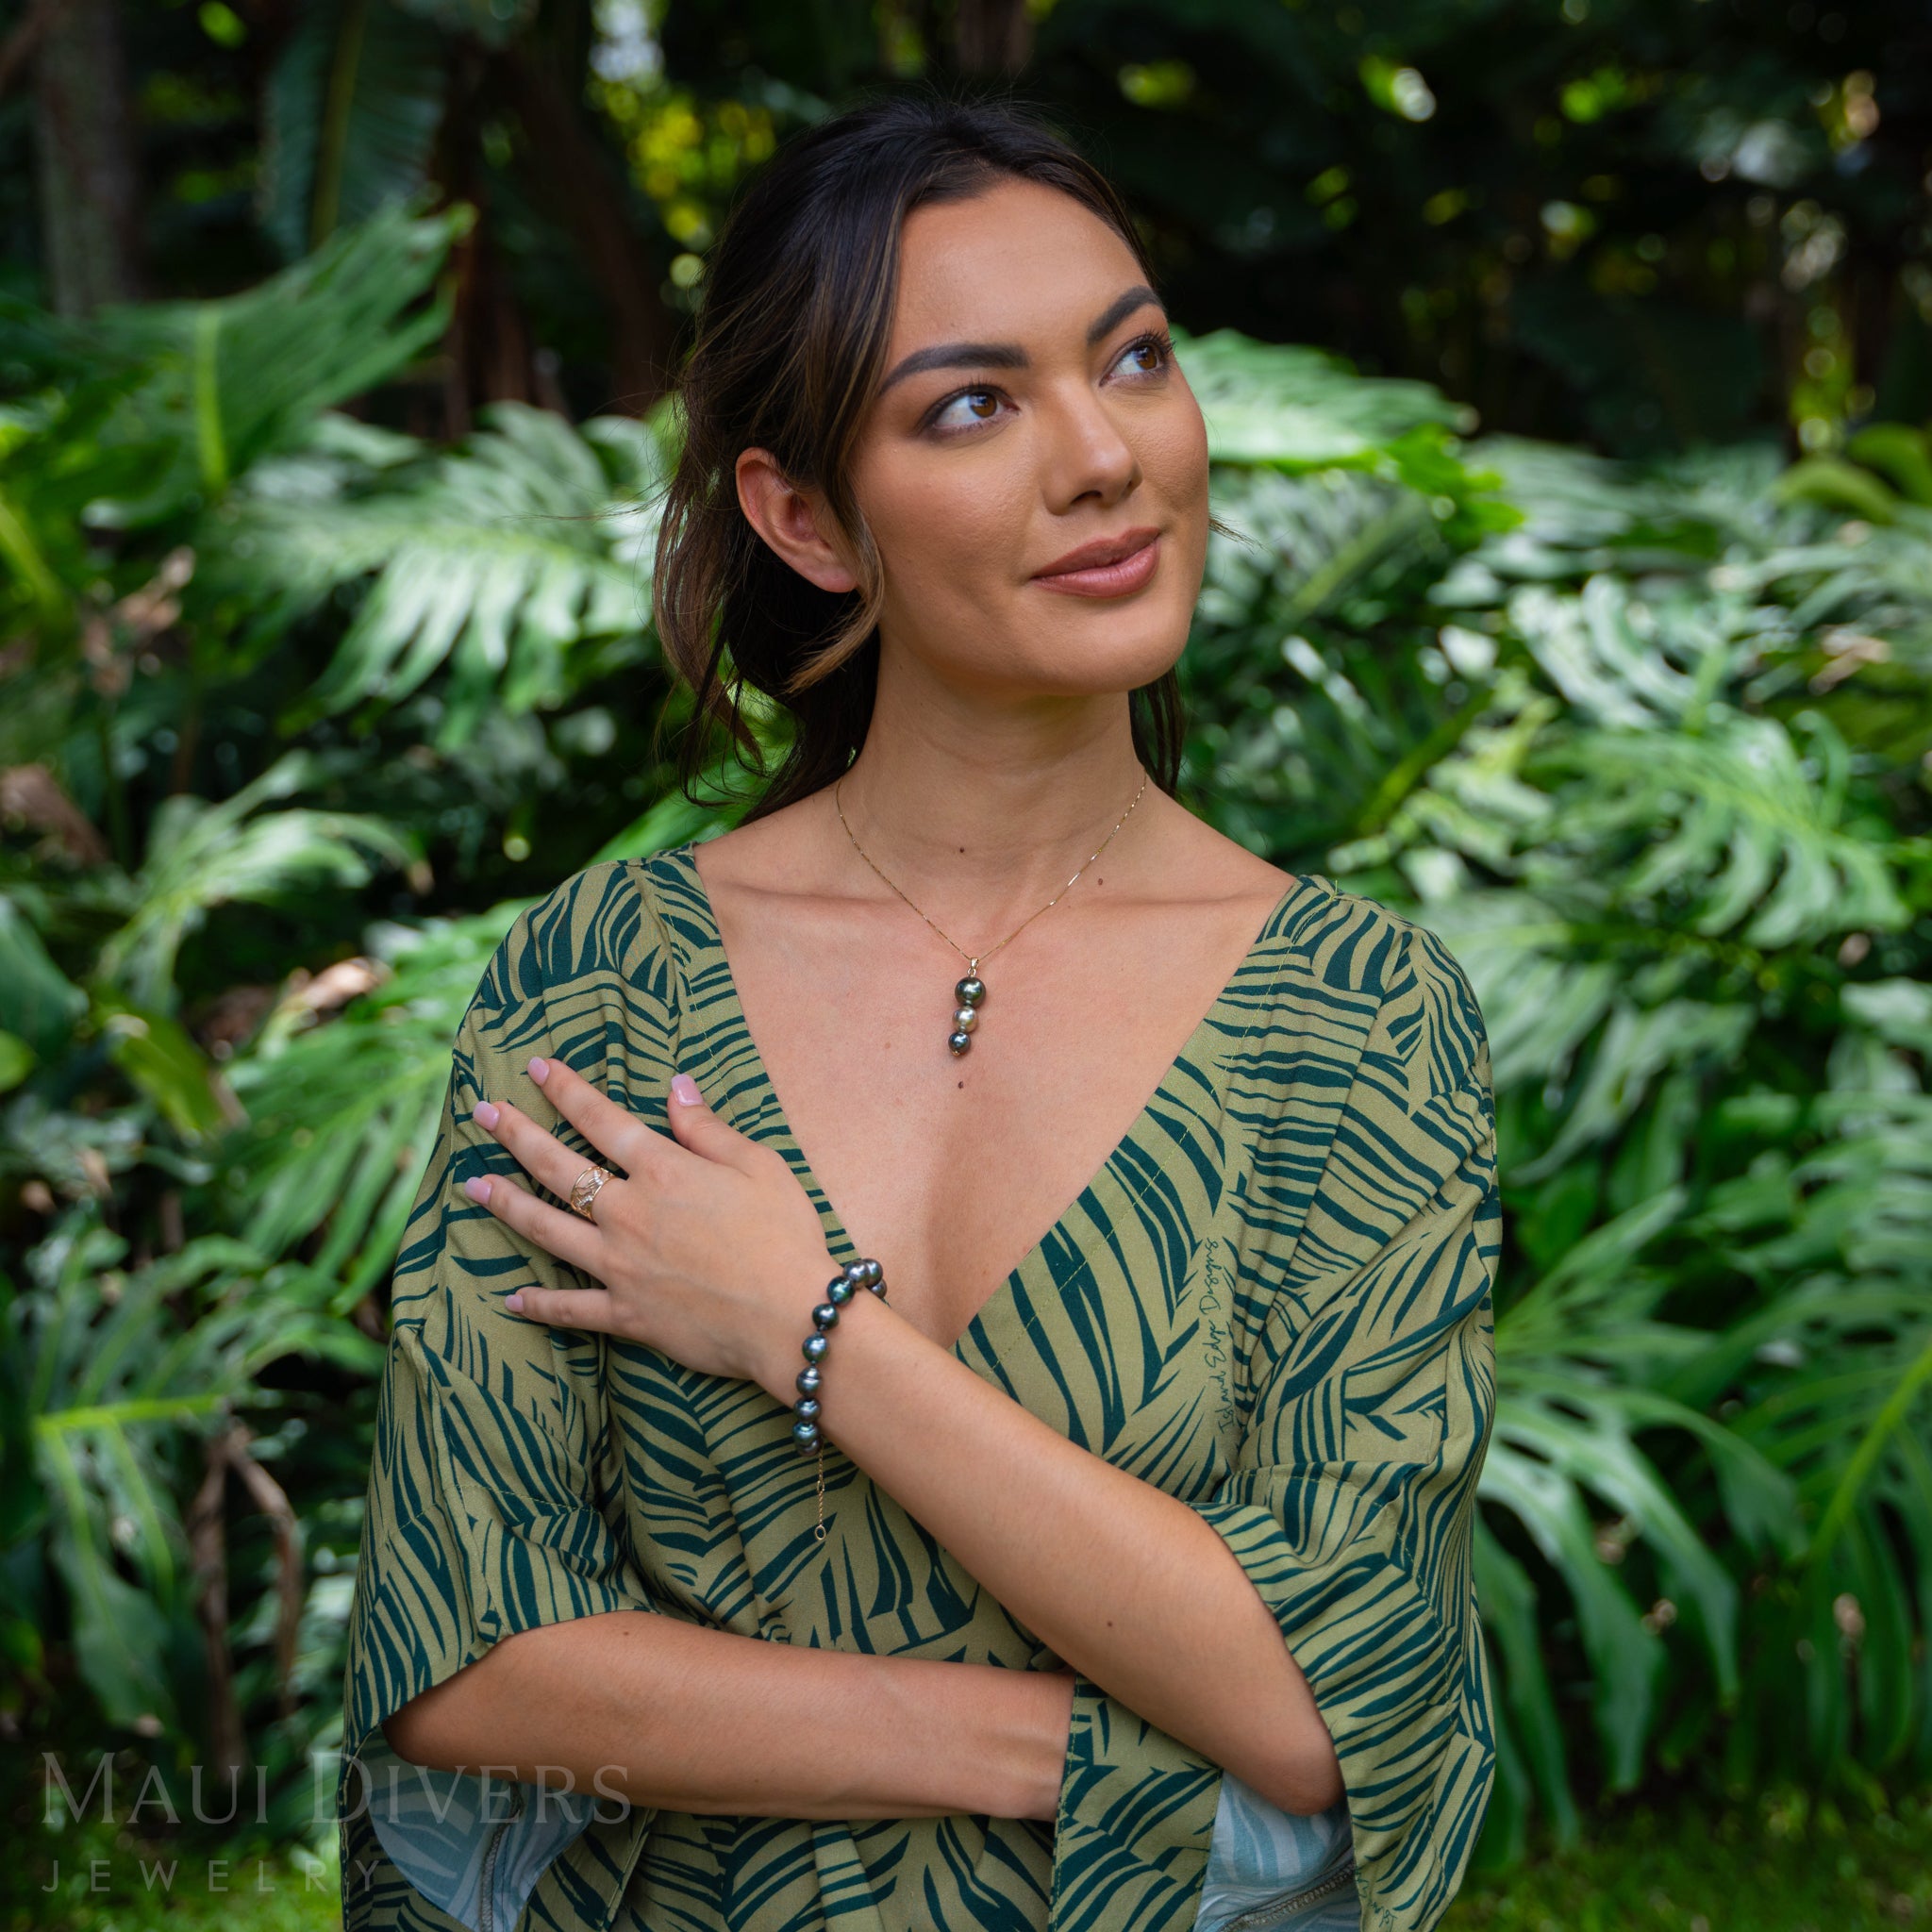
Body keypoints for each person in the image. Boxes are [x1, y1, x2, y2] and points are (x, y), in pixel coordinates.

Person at [336, 91, 1499, 1932]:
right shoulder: (607, 982)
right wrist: (1066, 1749)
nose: (1103, 457)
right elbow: (465, 1656)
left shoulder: (1360, 1018)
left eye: (1133, 359)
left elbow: (1315, 1695)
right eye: (972, 405)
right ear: (803, 516)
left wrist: (808, 1329)